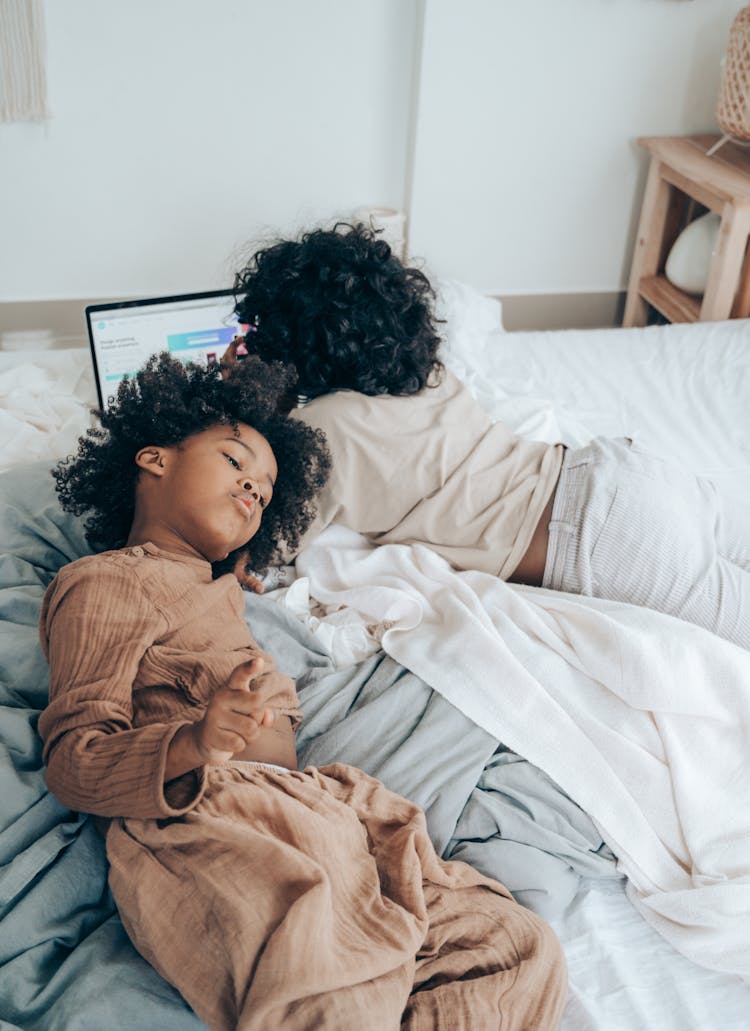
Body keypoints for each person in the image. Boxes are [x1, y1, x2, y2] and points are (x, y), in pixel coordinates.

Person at [38, 352, 567, 1031]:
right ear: (154, 459)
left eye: (265, 485)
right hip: (210, 823)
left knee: (518, 947)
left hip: (316, 812)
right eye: (235, 462)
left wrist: (232, 563)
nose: (255, 488)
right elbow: (74, 758)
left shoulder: (227, 591)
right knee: (332, 989)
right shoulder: (104, 581)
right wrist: (192, 741)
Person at [229, 223, 750, 649]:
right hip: (618, 472)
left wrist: (252, 408)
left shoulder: (322, 429)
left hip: (599, 539)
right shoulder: (425, 372)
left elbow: (260, 543)